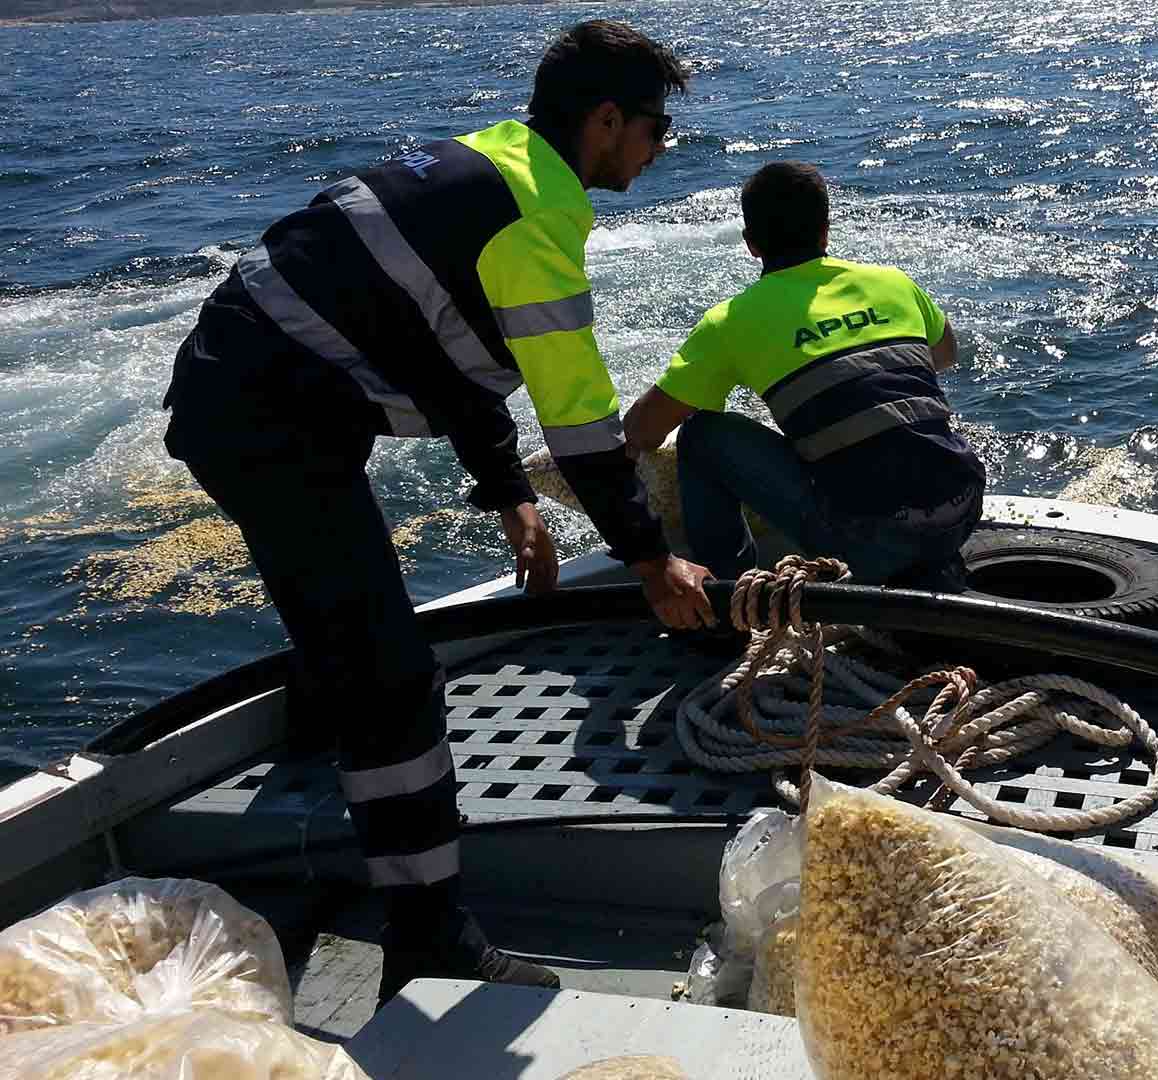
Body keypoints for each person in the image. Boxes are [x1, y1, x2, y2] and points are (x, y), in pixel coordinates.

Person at [159, 20, 717, 1004]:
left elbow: (448, 356)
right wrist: (650, 560)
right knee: (393, 677)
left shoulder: (488, 168)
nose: (660, 148)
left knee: (348, 632)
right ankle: (427, 936)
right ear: (603, 121)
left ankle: (335, 767)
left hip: (245, 391)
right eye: (655, 128)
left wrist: (508, 495)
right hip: (269, 419)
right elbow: (587, 431)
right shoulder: (535, 225)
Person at [624, 162, 985, 592]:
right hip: (964, 507)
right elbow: (943, 356)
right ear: (825, 230)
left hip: (870, 539)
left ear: (751, 245)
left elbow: (644, 429)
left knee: (702, 434)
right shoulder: (893, 283)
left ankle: (729, 595)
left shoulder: (730, 322)